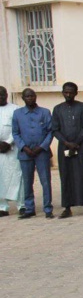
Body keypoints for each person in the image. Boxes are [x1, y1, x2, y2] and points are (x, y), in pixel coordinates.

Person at [51, 82, 83, 218]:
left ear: (76, 93)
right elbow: (55, 129)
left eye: (71, 92)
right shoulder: (58, 109)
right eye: (66, 92)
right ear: (62, 92)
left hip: (82, 146)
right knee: (67, 176)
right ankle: (67, 207)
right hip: (65, 147)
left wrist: (76, 142)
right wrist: (67, 142)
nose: (68, 94)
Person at [12, 89, 54, 219]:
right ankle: (29, 208)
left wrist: (41, 147)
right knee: (27, 181)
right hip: (26, 153)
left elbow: (50, 132)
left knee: (45, 180)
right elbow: (15, 133)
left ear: (36, 97)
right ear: (23, 98)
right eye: (27, 96)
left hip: (42, 153)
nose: (30, 98)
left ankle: (48, 208)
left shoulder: (45, 112)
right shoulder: (17, 114)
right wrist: (24, 147)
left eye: (32, 96)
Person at [0, 86, 24, 216]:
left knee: (18, 176)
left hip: (13, 148)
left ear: (7, 95)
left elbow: (18, 128)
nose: (1, 97)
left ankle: (22, 205)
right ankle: (3, 207)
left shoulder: (15, 109)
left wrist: (8, 142)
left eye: (3, 95)